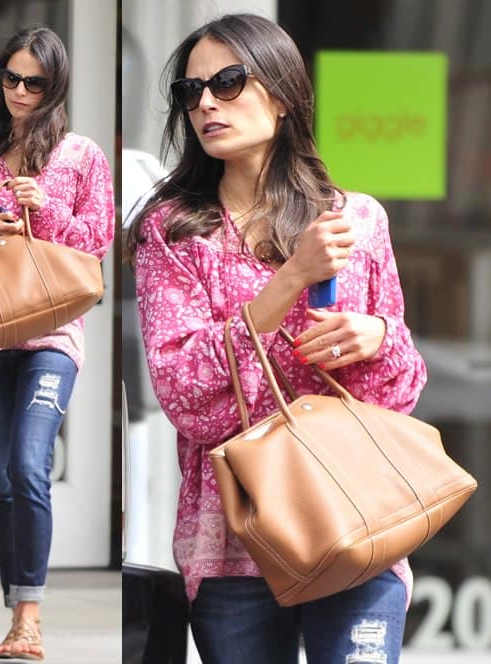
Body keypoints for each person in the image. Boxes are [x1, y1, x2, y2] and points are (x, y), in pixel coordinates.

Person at [125, 13, 426, 664]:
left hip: (355, 521)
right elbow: (186, 396)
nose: (205, 101)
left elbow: (399, 395)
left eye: (228, 81)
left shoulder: (355, 221)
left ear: (283, 94)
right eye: (191, 89)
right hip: (237, 544)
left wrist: (375, 336)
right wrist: (290, 280)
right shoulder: (175, 235)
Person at [0, 26, 114, 660]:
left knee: (31, 467)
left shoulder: (82, 155)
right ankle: (15, 609)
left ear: (55, 85)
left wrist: (47, 213)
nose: (19, 91)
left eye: (34, 82)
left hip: (50, 333)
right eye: (10, 78)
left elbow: (95, 241)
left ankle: (29, 619)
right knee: (4, 480)